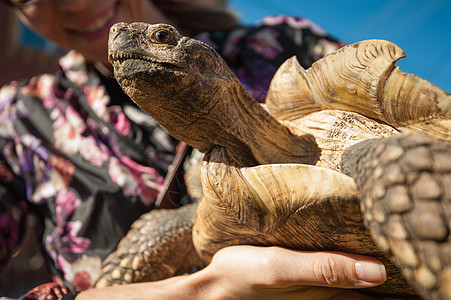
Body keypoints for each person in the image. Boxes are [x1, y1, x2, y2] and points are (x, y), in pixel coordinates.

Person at [0, 0, 387, 299]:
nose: (77, 4)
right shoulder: (18, 122)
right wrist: (193, 292)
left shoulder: (289, 49)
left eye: (160, 39)